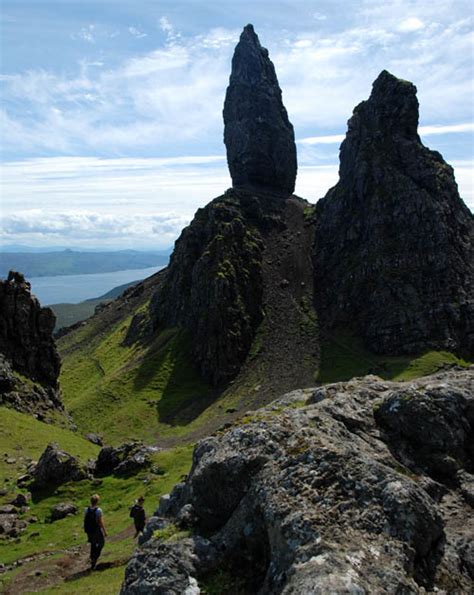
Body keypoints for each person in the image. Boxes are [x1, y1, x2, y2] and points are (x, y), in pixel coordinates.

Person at [84, 494, 107, 570]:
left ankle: (92, 558)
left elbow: (85, 520)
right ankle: (95, 557)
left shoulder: (86, 509)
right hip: (96, 529)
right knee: (101, 543)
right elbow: (100, 522)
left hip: (89, 530)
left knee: (93, 544)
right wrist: (104, 531)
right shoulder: (98, 510)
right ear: (97, 501)